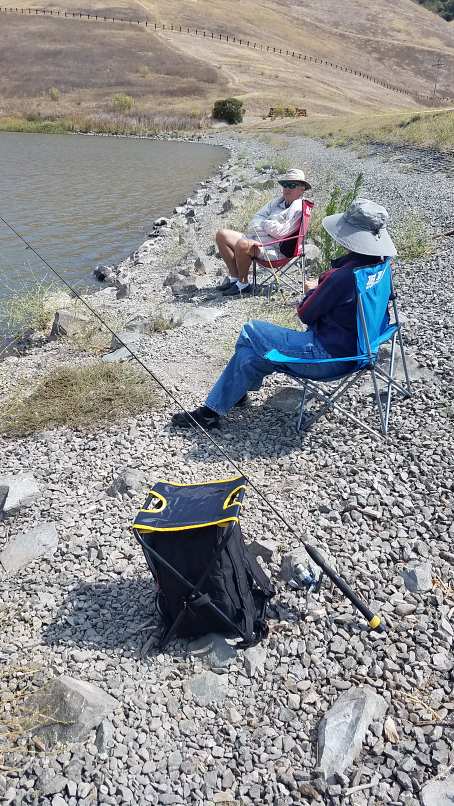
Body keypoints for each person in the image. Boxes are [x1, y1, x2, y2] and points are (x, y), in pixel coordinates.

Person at [172, 198, 397, 430]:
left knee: (251, 329)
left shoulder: (343, 277)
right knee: (249, 356)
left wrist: (312, 291)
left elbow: (305, 314)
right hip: (363, 350)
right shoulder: (381, 267)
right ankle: (213, 411)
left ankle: (233, 395)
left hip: (328, 358)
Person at [215, 168, 312, 297]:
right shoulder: (277, 203)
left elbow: (280, 232)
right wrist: (267, 227)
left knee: (243, 244)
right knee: (222, 235)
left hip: (277, 250)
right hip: (260, 240)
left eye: (292, 185)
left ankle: (243, 284)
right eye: (285, 185)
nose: (287, 188)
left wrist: (265, 223)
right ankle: (234, 279)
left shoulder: (298, 209)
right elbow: (255, 220)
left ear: (302, 189)